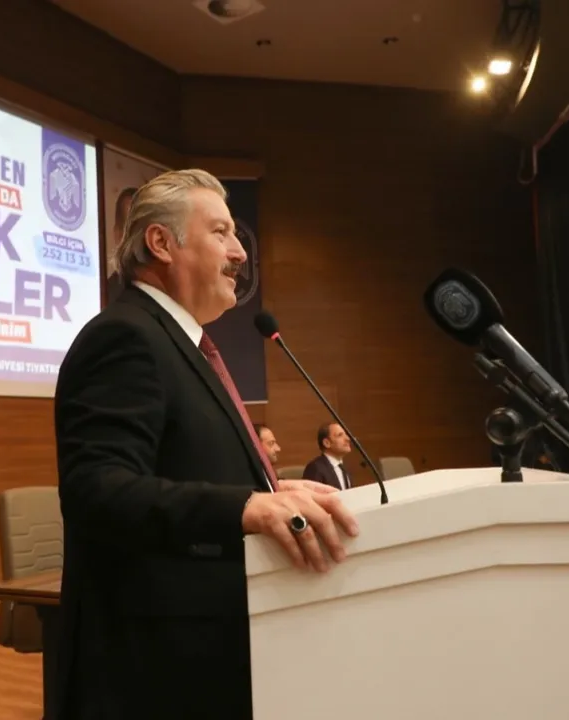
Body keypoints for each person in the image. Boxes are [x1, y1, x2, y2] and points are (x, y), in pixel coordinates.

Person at [54, 169, 359, 720]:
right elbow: (96, 490)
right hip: (150, 673)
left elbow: (181, 468)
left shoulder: (179, 343)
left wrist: (270, 491)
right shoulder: (124, 336)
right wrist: (246, 505)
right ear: (161, 242)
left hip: (205, 653)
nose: (240, 252)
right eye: (221, 232)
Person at [302, 422, 354, 490]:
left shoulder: (343, 468)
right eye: (340, 435)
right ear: (327, 443)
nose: (348, 439)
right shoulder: (315, 468)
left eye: (346, 434)